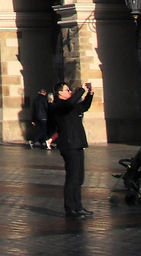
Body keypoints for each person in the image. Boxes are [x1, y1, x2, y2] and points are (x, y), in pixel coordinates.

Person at [48, 82, 95, 218]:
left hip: (78, 143)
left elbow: (83, 107)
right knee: (72, 178)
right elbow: (69, 104)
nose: (69, 92)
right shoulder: (58, 106)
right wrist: (80, 90)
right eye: (67, 90)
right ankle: (70, 208)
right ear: (60, 93)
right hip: (69, 145)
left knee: (79, 178)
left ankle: (78, 206)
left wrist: (89, 94)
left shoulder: (70, 105)